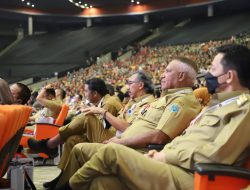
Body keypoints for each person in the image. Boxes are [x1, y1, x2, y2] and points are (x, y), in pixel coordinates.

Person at [54, 44, 250, 190]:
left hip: (193, 176)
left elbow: (216, 156)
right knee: (101, 183)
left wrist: (166, 155)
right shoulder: (217, 106)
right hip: (169, 164)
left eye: (213, 70)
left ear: (229, 76)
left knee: (111, 153)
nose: (207, 74)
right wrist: (158, 155)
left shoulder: (244, 108)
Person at [51, 57, 202, 189]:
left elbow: (159, 136)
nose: (162, 75)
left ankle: (62, 179)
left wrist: (120, 142)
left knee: (82, 150)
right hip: (124, 144)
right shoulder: (165, 98)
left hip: (138, 150)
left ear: (181, 75)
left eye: (168, 71)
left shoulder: (182, 102)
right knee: (78, 147)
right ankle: (61, 182)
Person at [28, 78, 123, 159]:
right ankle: (64, 176)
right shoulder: (104, 101)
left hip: (114, 139)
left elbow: (101, 126)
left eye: (85, 91)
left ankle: (50, 144)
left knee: (87, 116)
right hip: (108, 135)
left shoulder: (109, 103)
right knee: (71, 140)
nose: (84, 94)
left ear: (94, 93)